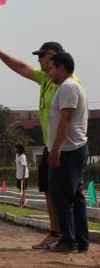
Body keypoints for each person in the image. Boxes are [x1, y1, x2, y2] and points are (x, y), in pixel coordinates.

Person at [0, 39, 76, 249]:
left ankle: (70, 237)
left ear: (54, 56)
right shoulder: (46, 78)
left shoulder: (67, 83)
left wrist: (58, 147)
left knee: (66, 193)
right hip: (50, 144)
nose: (38, 60)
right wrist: (0, 53)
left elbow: (68, 117)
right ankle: (55, 232)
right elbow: (21, 68)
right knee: (48, 189)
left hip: (65, 147)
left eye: (41, 55)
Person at [46, 52, 89, 253]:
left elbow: (66, 119)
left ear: (62, 68)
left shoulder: (68, 87)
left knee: (61, 197)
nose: (49, 72)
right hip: (73, 149)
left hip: (68, 150)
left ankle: (68, 241)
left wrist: (55, 149)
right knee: (75, 197)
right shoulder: (69, 87)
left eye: (52, 68)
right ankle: (81, 241)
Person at [14, 143, 29, 207]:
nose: (16, 149)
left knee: (23, 188)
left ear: (20, 149)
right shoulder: (17, 155)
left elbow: (24, 166)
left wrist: (23, 176)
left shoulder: (23, 156)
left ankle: (23, 201)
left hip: (23, 175)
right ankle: (22, 199)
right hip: (18, 175)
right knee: (20, 189)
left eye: (17, 148)